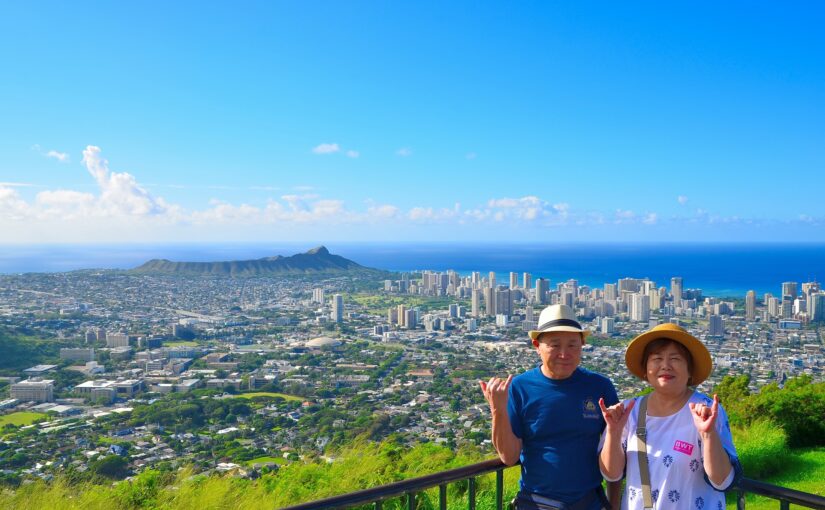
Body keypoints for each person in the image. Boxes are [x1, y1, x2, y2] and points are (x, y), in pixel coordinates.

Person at [480, 304, 619, 510]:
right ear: (537, 345)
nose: (564, 354)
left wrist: (614, 505)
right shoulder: (520, 387)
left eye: (572, 345)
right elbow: (509, 457)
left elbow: (615, 450)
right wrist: (498, 410)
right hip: (537, 503)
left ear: (583, 344)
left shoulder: (600, 386)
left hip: (590, 501)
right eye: (554, 345)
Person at [599, 323, 742, 510]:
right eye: (656, 358)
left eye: (675, 359)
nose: (665, 366)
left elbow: (722, 481)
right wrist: (614, 432)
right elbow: (611, 474)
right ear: (645, 370)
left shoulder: (705, 411)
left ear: (690, 370)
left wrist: (708, 434)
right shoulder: (629, 410)